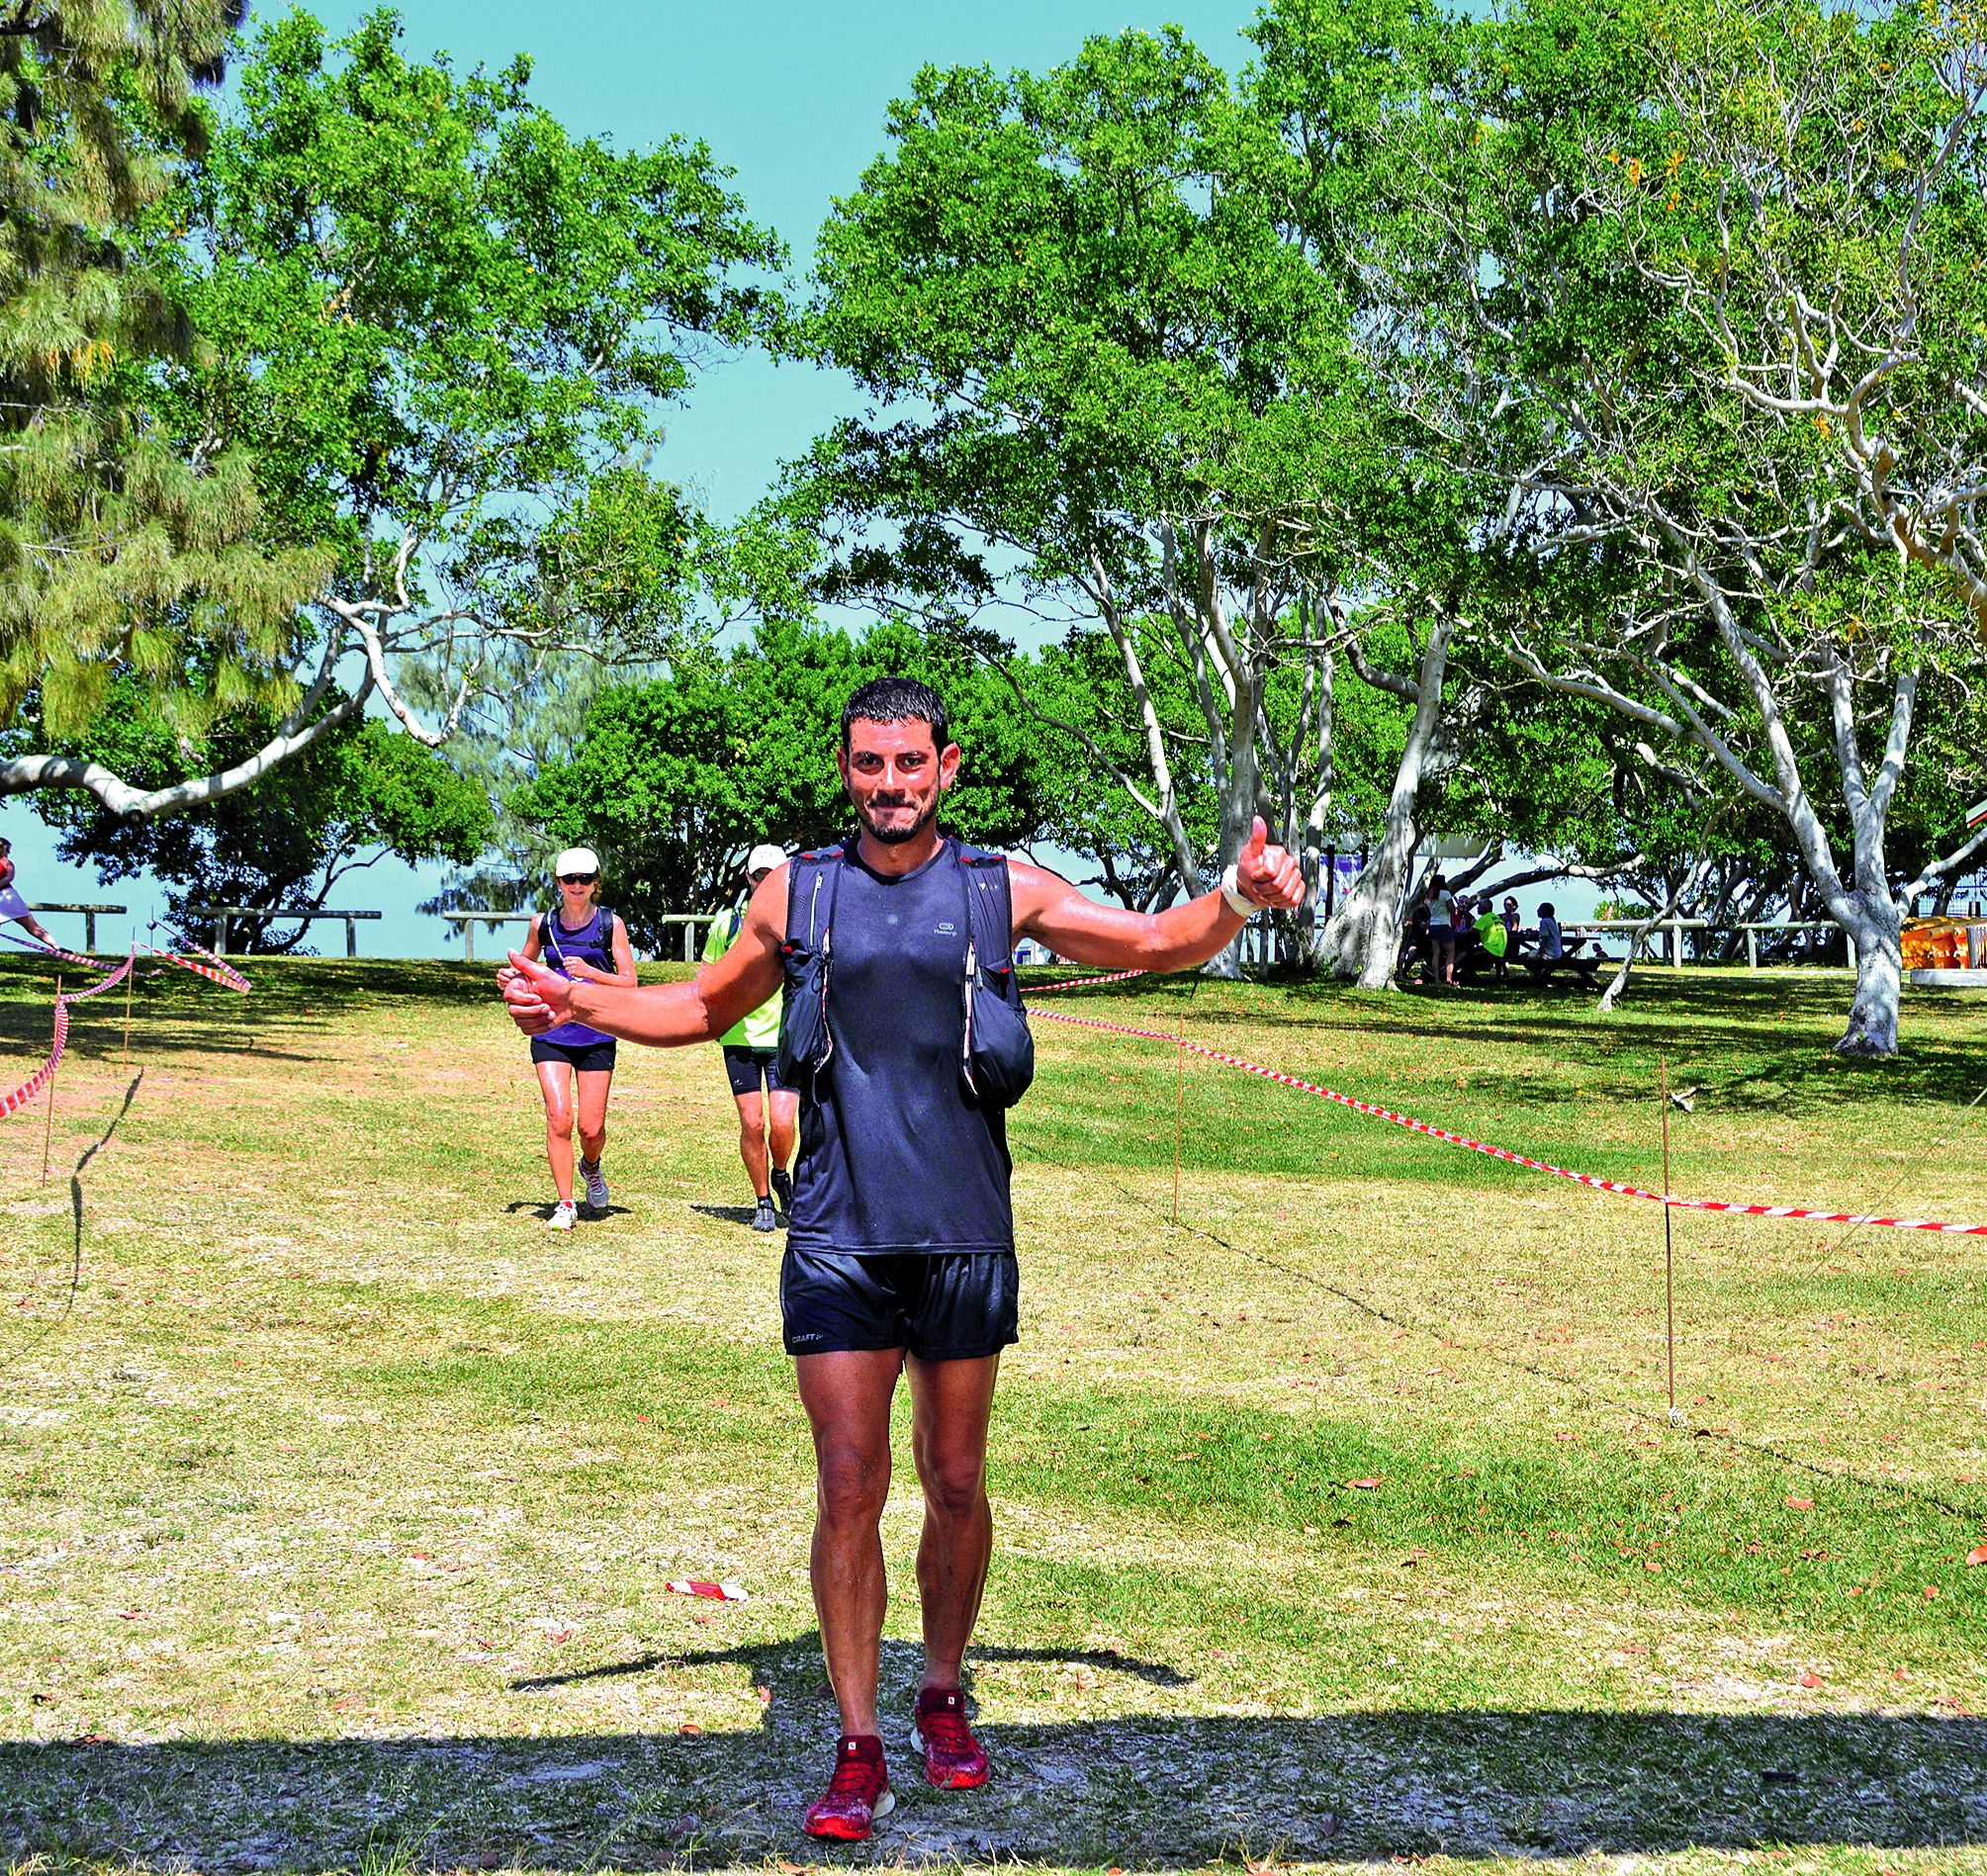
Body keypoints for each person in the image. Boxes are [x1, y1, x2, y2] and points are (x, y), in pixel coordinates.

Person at [498, 676, 1305, 1841]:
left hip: (963, 1230)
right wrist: (568, 995)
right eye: (869, 763)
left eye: (909, 762)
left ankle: (939, 1689)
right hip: (837, 1232)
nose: (890, 783)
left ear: (944, 767)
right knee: (848, 1482)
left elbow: (1149, 942)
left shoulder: (997, 886)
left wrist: (1235, 894)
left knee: (955, 1479)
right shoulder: (796, 891)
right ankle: (857, 1739)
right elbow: (699, 1007)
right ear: (845, 770)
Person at [516, 847, 637, 1230]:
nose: (577, 885)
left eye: (585, 879)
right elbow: (522, 968)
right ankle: (566, 1203)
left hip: (597, 1033)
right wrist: (512, 981)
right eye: (570, 879)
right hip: (551, 1030)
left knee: (591, 1128)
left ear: (595, 883)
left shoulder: (610, 924)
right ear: (558, 882)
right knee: (559, 1116)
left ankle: (592, 1166)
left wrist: (590, 971)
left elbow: (630, 982)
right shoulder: (543, 924)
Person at [703, 842, 798, 1232]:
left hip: (782, 1038)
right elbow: (706, 978)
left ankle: (781, 1172)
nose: (766, 882)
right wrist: (715, 1018)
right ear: (749, 878)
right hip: (739, 1038)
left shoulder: (799, 923)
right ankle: (763, 1201)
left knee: (782, 1123)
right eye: (760, 876)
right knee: (753, 1123)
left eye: (773, 876)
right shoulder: (727, 924)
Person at [0, 839, 54, 946]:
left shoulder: (7, 863)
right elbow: (9, 877)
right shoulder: (8, 863)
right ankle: (55, 945)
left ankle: (55, 945)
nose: (8, 853)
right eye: (7, 850)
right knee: (32, 926)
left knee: (31, 925)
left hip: (7, 896)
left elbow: (8, 878)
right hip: (8, 896)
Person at [1425, 871, 1457, 986]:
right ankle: (1448, 979)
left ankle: (1437, 979)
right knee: (1450, 953)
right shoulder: (1445, 893)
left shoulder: (1429, 895)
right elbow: (1451, 908)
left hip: (1433, 925)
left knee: (1436, 953)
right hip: (1444, 924)